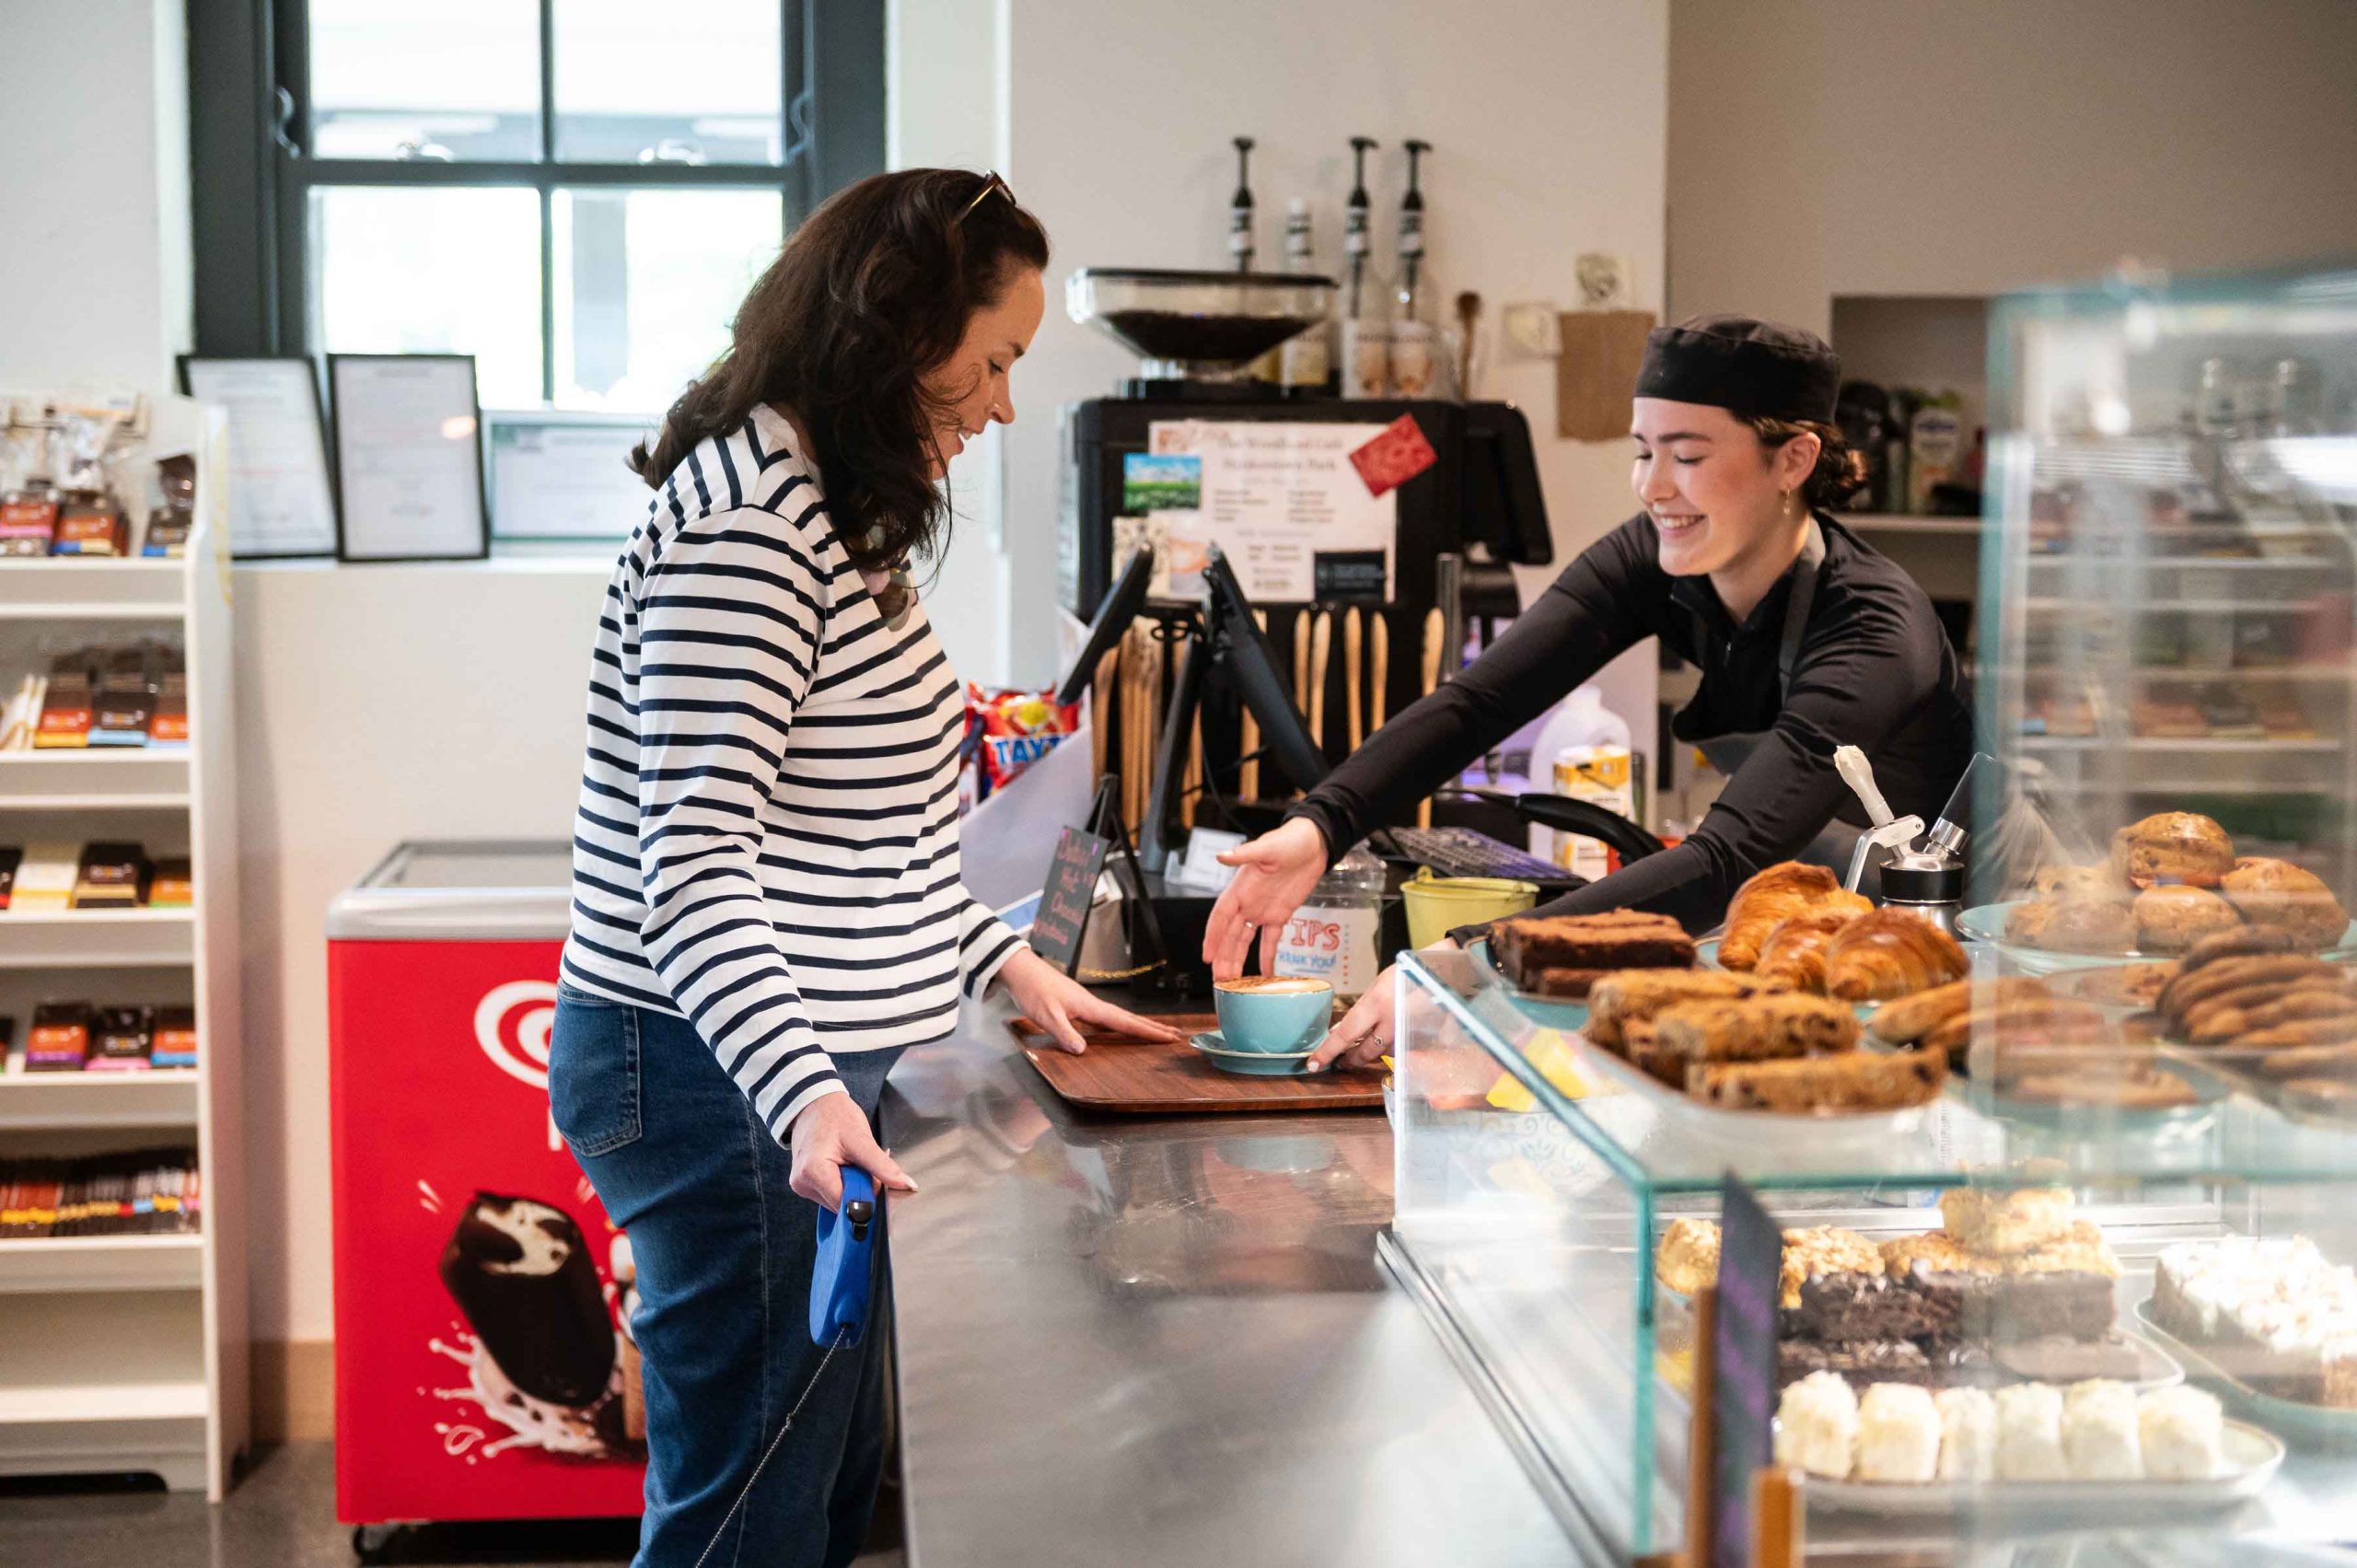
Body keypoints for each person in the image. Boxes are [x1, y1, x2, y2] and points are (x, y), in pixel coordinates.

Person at [548, 168, 1176, 1568]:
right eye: (996, 357)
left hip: (791, 1080)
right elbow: (695, 861)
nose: (1005, 403)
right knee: (748, 1520)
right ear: (899, 326)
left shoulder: (827, 502)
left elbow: (858, 837)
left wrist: (997, 957)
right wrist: (804, 1097)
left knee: (822, 1499)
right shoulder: (752, 525)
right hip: (728, 1083)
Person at [1204, 316, 1973, 1073]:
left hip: (1956, 944)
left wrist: (1474, 957)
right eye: (1643, 451)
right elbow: (1481, 701)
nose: (1651, 485)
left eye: (1689, 455)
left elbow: (1726, 856)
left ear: (1794, 460)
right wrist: (1322, 823)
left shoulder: (1872, 627)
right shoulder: (1661, 555)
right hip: (1820, 929)